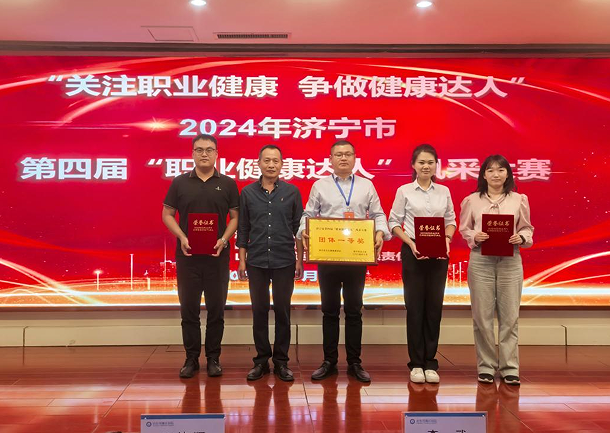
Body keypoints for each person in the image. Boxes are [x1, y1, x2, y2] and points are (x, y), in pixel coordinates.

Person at [297, 140, 391, 383]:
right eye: (338, 154)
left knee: (354, 311)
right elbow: (308, 214)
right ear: (330, 159)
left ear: (355, 158)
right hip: (328, 255)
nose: (343, 158)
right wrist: (304, 230)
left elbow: (378, 214)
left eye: (348, 154)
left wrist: (380, 232)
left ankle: (354, 362)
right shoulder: (320, 185)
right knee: (329, 311)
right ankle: (329, 361)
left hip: (356, 257)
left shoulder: (366, 185)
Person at [162, 134, 239, 378]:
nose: (204, 154)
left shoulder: (227, 183)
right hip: (188, 256)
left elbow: (235, 217)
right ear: (192, 153)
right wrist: (182, 237)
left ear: (217, 154)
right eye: (199, 150)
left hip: (217, 257)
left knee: (216, 310)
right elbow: (167, 214)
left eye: (209, 149)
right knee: (189, 310)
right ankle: (191, 359)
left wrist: (224, 239)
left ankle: (214, 358)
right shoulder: (180, 182)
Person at [459, 154, 534, 386]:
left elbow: (527, 228)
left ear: (508, 174)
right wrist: (475, 236)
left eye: (501, 170)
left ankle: (510, 367)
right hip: (481, 261)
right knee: (482, 318)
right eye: (490, 170)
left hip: (510, 262)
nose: (496, 174)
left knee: (510, 317)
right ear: (483, 174)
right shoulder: (471, 200)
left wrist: (521, 237)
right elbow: (464, 229)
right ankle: (486, 367)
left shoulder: (519, 199)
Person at [388, 144, 456, 384]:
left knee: (434, 309)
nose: (426, 166)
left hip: (439, 254)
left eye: (430, 162)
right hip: (413, 251)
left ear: (436, 165)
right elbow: (393, 222)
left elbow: (450, 220)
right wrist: (410, 242)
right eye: (421, 162)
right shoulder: (404, 191)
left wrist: (446, 239)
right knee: (415, 308)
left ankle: (430, 363)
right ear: (413, 165)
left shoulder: (444, 191)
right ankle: (416, 363)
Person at [237, 144, 304, 382]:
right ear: (258, 163)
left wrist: (300, 259)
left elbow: (298, 229)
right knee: (259, 311)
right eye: (267, 160)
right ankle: (261, 361)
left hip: (285, 259)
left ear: (282, 164)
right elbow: (243, 228)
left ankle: (281, 362)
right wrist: (242, 260)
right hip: (256, 260)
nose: (271, 165)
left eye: (276, 161)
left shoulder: (292, 192)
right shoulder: (247, 193)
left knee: (283, 311)